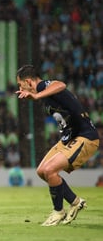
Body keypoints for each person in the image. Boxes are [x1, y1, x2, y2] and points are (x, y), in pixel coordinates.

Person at [16, 65, 99, 226]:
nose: (20, 89)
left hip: (85, 136)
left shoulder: (42, 87)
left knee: (49, 170)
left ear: (28, 82)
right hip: (69, 137)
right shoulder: (42, 94)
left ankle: (58, 211)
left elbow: (60, 85)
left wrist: (37, 95)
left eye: (21, 85)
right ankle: (75, 202)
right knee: (41, 171)